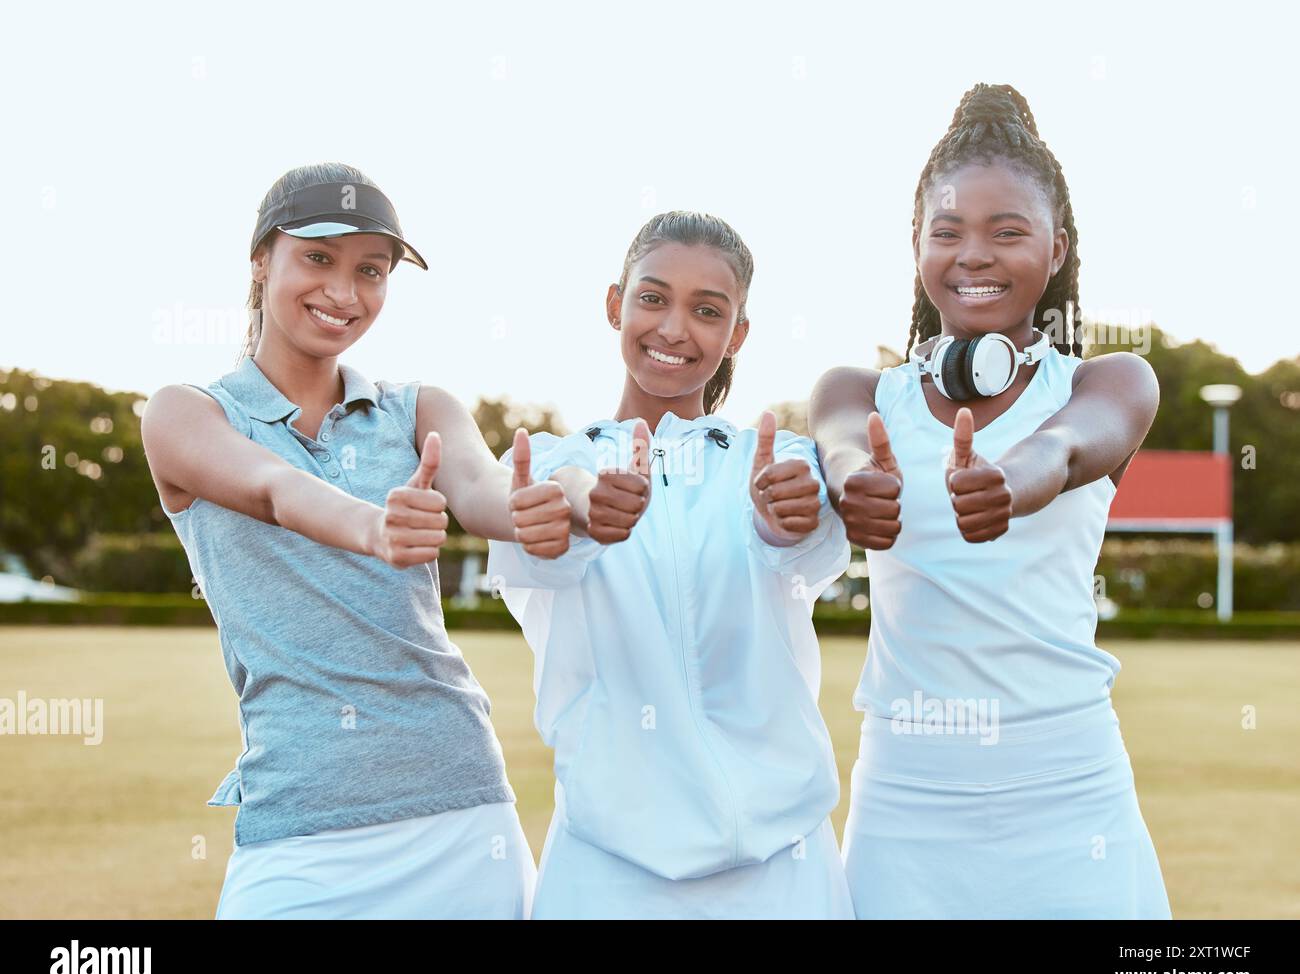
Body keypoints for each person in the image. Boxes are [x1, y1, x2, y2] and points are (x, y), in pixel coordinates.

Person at [141, 162, 571, 918]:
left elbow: (479, 490)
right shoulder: (184, 414)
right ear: (259, 260)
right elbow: (274, 488)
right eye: (317, 259)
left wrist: (545, 503)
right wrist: (374, 526)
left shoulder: (420, 408)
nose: (344, 293)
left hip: (460, 815)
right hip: (297, 829)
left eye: (370, 271)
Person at [809, 84, 1172, 918]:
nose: (974, 254)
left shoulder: (1109, 379)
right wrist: (848, 482)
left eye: (1007, 232)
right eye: (948, 232)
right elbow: (838, 445)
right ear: (916, 246)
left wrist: (1014, 480)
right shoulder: (858, 389)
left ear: (1056, 250)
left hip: (1073, 801)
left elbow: (1074, 441)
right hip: (907, 811)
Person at [487, 211, 855, 919]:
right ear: (614, 303)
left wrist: (784, 522)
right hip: (606, 871)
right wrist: (587, 510)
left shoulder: (775, 460)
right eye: (652, 298)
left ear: (738, 334)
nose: (674, 329)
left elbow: (800, 544)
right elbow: (547, 538)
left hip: (784, 872)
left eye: (707, 310)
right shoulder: (556, 462)